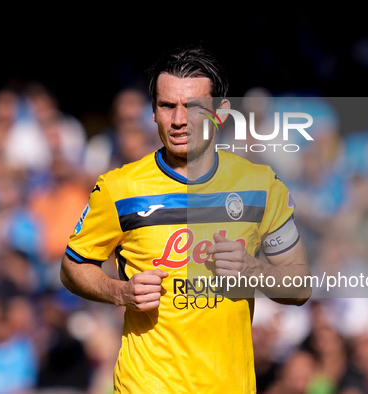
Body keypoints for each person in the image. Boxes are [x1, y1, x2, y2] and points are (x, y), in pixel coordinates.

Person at [60, 45, 312, 393]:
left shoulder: (260, 186)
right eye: (167, 106)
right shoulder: (119, 188)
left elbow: (299, 286)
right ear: (153, 111)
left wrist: (254, 271)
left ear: (220, 113)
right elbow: (72, 266)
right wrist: (120, 292)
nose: (179, 120)